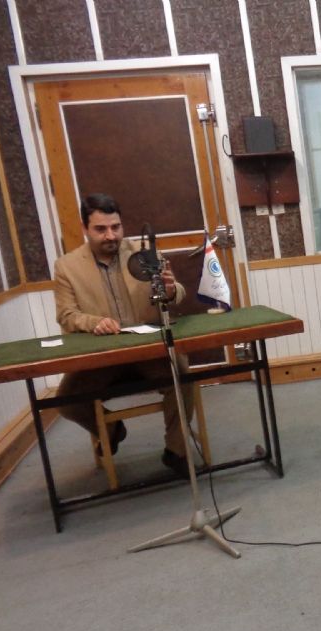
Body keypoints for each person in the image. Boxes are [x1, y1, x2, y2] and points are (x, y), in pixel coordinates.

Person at [54, 193, 195, 477]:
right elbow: (66, 315)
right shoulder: (67, 267)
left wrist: (170, 291)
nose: (110, 235)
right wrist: (94, 322)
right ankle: (111, 429)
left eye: (115, 227)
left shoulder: (144, 254)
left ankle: (177, 450)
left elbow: (177, 292)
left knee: (182, 374)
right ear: (84, 228)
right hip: (101, 356)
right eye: (101, 229)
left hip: (148, 350)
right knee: (66, 400)